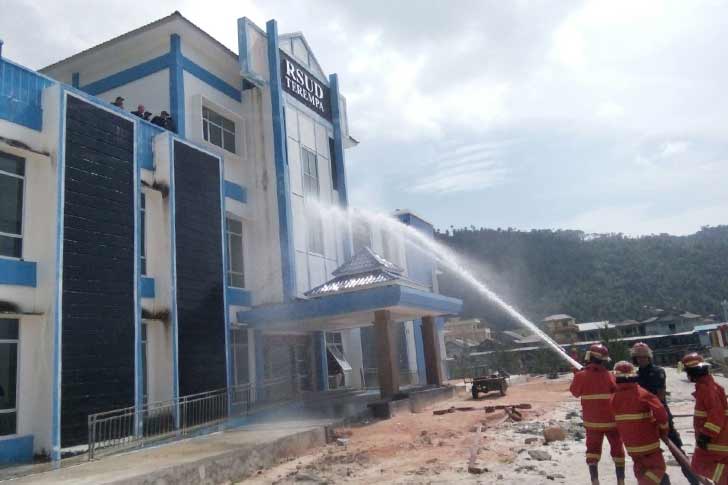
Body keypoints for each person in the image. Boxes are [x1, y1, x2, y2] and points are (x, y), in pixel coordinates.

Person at [632, 342, 698, 484]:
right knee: (651, 456)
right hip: (645, 420)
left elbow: (660, 396)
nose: (641, 359)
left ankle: (694, 480)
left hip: (662, 416)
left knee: (677, 450)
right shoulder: (635, 376)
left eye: (643, 356)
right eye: (638, 357)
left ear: (649, 357)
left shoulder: (658, 372)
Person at [570, 343, 626, 485]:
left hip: (592, 423)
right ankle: (621, 481)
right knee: (618, 451)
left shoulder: (581, 375)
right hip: (612, 423)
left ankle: (595, 481)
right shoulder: (611, 376)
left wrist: (577, 375)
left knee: (592, 452)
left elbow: (575, 393)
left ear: (589, 356)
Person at [611, 360, 671, 484]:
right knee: (658, 468)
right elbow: (661, 413)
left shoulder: (614, 398)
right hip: (649, 443)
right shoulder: (642, 394)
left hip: (631, 446)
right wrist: (663, 430)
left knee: (641, 470)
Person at [680, 352, 728, 484]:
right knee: (720, 466)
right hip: (721, 438)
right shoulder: (710, 386)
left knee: (699, 464)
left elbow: (716, 414)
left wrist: (706, 435)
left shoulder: (707, 389)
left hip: (715, 441)